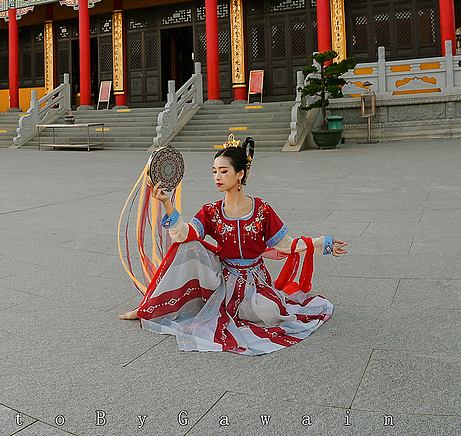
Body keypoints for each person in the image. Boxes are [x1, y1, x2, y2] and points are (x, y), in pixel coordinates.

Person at [120, 139, 346, 354]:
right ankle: (148, 307)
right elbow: (184, 233)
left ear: (240, 174)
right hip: (223, 278)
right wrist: (167, 203)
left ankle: (240, 307)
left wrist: (323, 243)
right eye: (214, 171)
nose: (217, 177)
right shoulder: (211, 211)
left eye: (223, 171)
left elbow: (287, 245)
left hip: (255, 281)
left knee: (270, 312)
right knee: (187, 247)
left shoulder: (262, 210)